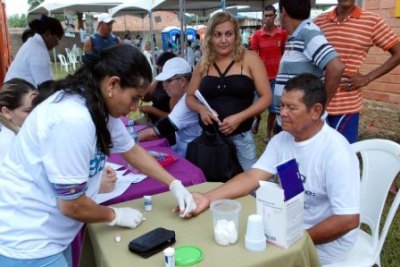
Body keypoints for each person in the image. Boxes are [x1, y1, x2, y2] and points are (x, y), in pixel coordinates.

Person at [0, 45, 195, 266]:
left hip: (49, 235)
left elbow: (131, 150)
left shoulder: (96, 105)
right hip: (28, 241)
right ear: (112, 84)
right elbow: (71, 205)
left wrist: (174, 183)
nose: (135, 107)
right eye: (134, 98)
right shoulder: (73, 118)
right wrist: (114, 215)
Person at [187, 74, 360, 265]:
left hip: (322, 246)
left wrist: (299, 240)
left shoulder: (335, 151)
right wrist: (208, 198)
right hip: (285, 228)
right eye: (282, 105)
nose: (282, 113)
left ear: (315, 111)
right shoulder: (282, 139)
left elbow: (348, 219)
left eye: (291, 107)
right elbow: (252, 177)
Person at [186, 11, 271, 171]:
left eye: (228, 34)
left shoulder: (250, 59)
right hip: (210, 140)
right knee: (212, 186)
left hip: (242, 138)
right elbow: (189, 97)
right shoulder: (203, 64)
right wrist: (201, 109)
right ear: (210, 37)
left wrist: (239, 118)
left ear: (236, 36)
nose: (223, 40)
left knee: (250, 188)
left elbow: (266, 98)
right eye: (217, 35)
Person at [314, 1, 400, 145]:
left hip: (346, 105)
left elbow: (398, 52)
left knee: (344, 153)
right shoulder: (320, 21)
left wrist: (368, 77)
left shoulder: (371, 21)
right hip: (317, 102)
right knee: (315, 153)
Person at [272, 0, 344, 133]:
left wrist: (321, 107)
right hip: (290, 121)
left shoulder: (308, 32)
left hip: (303, 124)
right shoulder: (296, 35)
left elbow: (336, 67)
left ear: (284, 12)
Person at [139, 57, 201, 157]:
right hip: (187, 150)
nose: (164, 86)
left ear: (182, 81)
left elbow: (154, 132)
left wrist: (124, 139)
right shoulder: (189, 95)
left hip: (189, 157)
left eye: (168, 81)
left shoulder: (186, 103)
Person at [250, 5, 288, 142]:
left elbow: (284, 52)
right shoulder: (257, 35)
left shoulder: (282, 33)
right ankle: (257, 119)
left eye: (270, 15)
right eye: (265, 16)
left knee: (273, 109)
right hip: (261, 78)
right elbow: (253, 57)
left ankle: (268, 133)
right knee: (255, 107)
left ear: (275, 16)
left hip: (277, 77)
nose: (268, 18)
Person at [4, 15, 63, 87]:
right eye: (56, 39)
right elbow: (45, 86)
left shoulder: (34, 43)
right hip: (15, 94)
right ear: (48, 34)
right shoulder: (38, 50)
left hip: (14, 91)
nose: (57, 44)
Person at [0, 78, 37, 163]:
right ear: (7, 112)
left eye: (38, 108)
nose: (36, 114)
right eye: (28, 111)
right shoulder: (7, 141)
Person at [138, 52, 177, 126]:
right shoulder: (160, 81)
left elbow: (174, 119)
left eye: (162, 71)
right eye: (159, 70)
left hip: (164, 127)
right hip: (152, 122)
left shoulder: (176, 88)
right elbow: (147, 97)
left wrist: (152, 110)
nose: (160, 74)